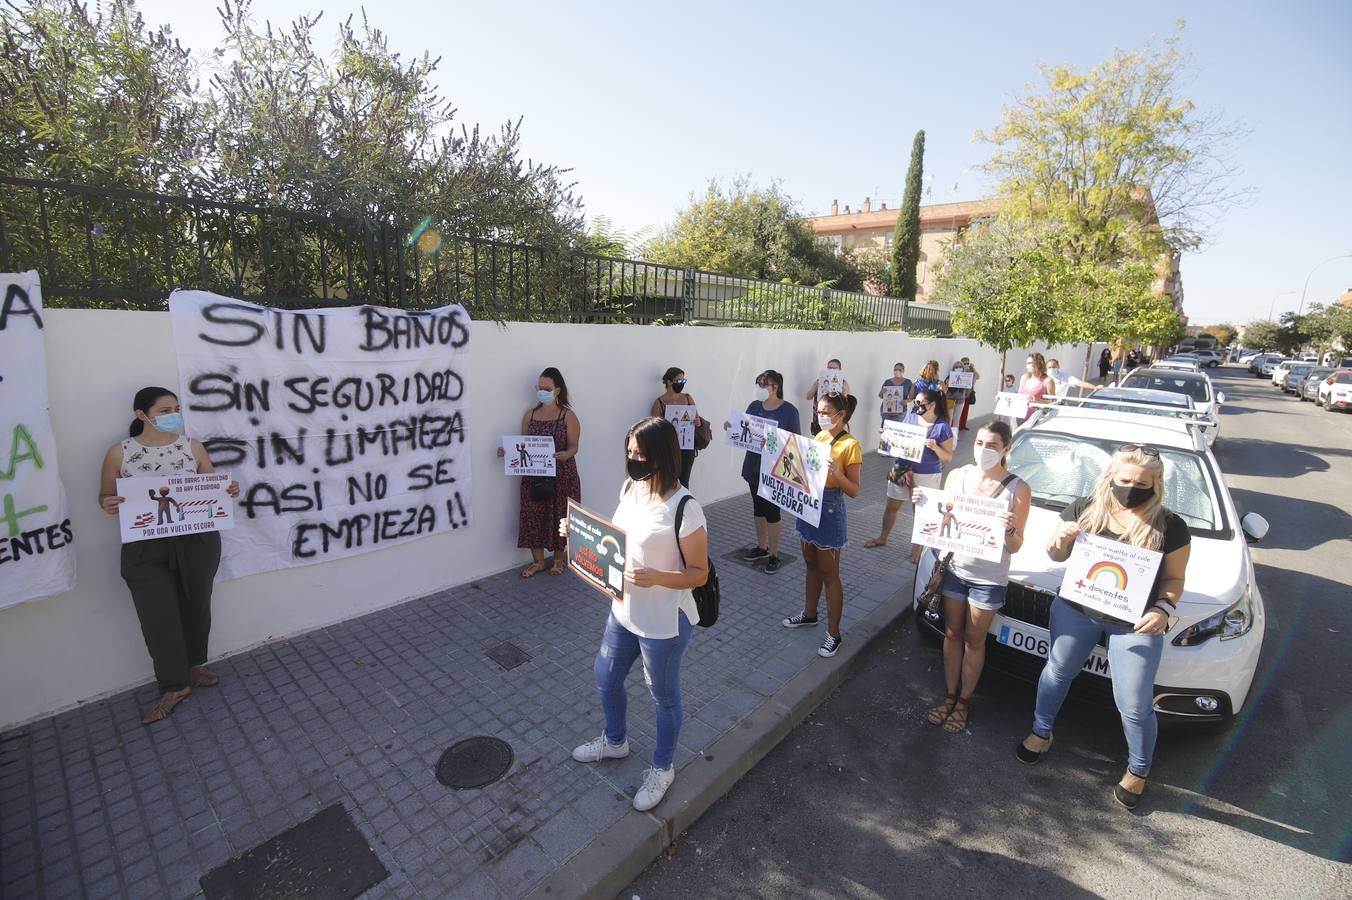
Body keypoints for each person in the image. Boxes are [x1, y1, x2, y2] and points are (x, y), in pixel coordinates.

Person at [1016, 444, 1191, 811]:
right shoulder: (1085, 508)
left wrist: (1163, 608)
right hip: (1076, 609)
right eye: (1124, 479)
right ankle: (1040, 732)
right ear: (1111, 476)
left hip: (1134, 624)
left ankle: (1139, 769)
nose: (1131, 487)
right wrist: (1060, 538)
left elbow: (1174, 579)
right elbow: (1055, 555)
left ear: (1155, 484)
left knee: (1133, 701)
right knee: (1057, 673)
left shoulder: (1171, 525)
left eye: (1141, 482)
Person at [572, 417, 708, 813]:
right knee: (605, 676)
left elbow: (698, 575)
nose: (632, 459)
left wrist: (656, 577)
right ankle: (615, 742)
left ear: (662, 456)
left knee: (663, 697)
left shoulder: (685, 508)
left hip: (663, 621)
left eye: (640, 454)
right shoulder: (631, 488)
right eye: (629, 452)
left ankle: (662, 768)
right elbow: (615, 540)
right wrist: (575, 534)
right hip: (623, 611)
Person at [98, 387, 240, 724]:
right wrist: (108, 504)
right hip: (145, 545)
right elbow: (105, 497)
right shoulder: (120, 453)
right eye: (164, 409)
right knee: (157, 614)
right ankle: (174, 685)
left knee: (196, 603)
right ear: (141, 415)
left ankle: (194, 665)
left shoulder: (193, 447)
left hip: (197, 541)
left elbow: (212, 487)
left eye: (176, 408)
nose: (173, 414)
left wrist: (228, 490)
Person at [918, 421, 1031, 734]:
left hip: (988, 579)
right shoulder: (957, 475)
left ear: (1006, 449)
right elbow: (941, 517)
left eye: (992, 445)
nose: (983, 450)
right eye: (979, 443)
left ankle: (965, 701)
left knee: (974, 639)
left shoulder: (1017, 488)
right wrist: (924, 506)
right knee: (952, 634)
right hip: (955, 570)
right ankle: (949, 694)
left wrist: (1009, 529)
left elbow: (1016, 545)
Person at [781, 392, 862, 658]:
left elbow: (854, 490)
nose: (821, 416)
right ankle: (809, 613)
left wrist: (837, 473)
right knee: (811, 563)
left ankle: (834, 634)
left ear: (842, 415)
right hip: (809, 504)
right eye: (819, 411)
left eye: (826, 412)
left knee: (830, 573)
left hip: (829, 509)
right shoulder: (819, 437)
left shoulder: (851, 445)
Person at [501, 367, 581, 578]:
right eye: (539, 387)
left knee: (559, 516)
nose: (541, 391)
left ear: (557, 390)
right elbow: (524, 444)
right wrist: (507, 452)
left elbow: (574, 446)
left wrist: (567, 454)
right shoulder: (531, 415)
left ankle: (557, 559)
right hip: (533, 476)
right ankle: (537, 562)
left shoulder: (567, 416)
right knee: (532, 516)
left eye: (546, 388)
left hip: (562, 477)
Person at [865, 388, 955, 556]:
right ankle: (883, 537)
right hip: (902, 468)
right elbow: (900, 440)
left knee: (921, 511)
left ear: (932, 405)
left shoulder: (942, 426)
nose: (916, 406)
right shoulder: (911, 418)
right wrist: (888, 436)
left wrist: (935, 447)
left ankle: (918, 548)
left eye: (920, 403)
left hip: (927, 473)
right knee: (891, 506)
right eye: (915, 403)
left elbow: (948, 457)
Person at [726, 370, 800, 574]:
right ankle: (761, 547)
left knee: (772, 512)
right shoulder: (754, 406)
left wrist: (774, 443)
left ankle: (775, 554)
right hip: (753, 467)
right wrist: (731, 427)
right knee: (758, 509)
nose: (759, 388)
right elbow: (745, 430)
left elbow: (795, 443)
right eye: (757, 384)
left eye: (763, 384)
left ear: (775, 386)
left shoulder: (789, 411)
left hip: (774, 470)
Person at [650, 366, 703, 488]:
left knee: (684, 482)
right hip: (669, 449)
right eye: (679, 381)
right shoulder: (659, 403)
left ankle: (684, 506)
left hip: (687, 448)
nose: (682, 384)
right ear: (669, 382)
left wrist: (697, 421)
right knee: (669, 481)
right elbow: (653, 428)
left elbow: (697, 419)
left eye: (683, 381)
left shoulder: (687, 398)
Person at [804, 358, 851, 432]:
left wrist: (843, 391)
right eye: (829, 368)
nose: (832, 370)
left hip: (835, 419)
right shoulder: (819, 381)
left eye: (835, 368)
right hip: (820, 418)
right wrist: (816, 386)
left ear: (839, 370)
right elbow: (808, 397)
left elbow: (846, 401)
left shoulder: (844, 383)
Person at [1018, 352, 1056, 421]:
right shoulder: (1024, 378)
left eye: (1030, 363)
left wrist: (1037, 400)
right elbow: (1018, 397)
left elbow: (1053, 403)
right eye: (1027, 363)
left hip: (1036, 420)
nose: (1028, 365)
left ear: (1039, 364)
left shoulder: (1048, 381)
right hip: (1019, 416)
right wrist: (1002, 399)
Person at [949, 357, 980, 431]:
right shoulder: (953, 373)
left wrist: (973, 368)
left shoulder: (970, 371)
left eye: (967, 363)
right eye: (964, 363)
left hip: (966, 395)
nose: (966, 365)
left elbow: (978, 377)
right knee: (951, 416)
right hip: (953, 396)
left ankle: (962, 425)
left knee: (962, 413)